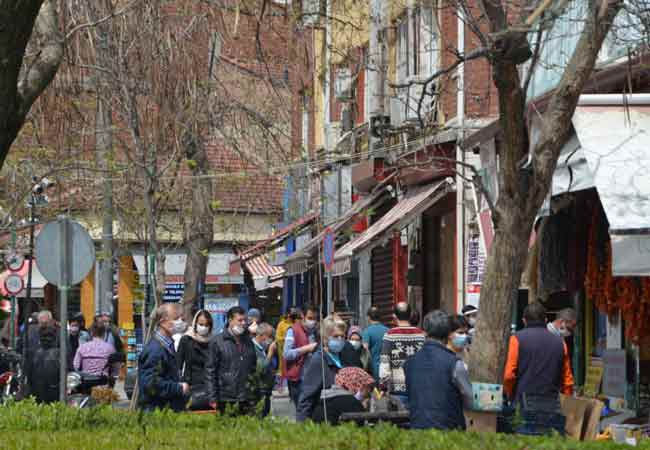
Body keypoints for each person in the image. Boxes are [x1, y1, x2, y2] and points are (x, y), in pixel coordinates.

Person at [404, 310, 473, 430]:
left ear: (424, 332)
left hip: (417, 428)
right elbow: (470, 398)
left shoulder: (409, 363)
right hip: (448, 431)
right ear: (448, 333)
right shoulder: (454, 363)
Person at [503, 302, 574, 406]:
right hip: (551, 404)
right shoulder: (561, 343)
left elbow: (508, 376)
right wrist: (567, 403)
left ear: (524, 321)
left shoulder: (516, 339)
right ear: (545, 320)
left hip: (522, 404)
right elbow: (567, 381)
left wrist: (509, 394)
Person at [206, 306, 258, 415]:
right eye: (239, 320)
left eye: (245, 320)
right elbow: (210, 371)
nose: (243, 323)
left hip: (246, 397)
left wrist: (254, 392)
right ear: (230, 320)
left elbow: (253, 368)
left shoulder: (248, 342)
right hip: (226, 397)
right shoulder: (217, 341)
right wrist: (212, 397)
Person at [138, 303, 189, 412]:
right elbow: (150, 384)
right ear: (162, 322)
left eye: (182, 318)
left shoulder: (167, 345)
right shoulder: (155, 349)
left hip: (167, 410)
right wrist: (179, 388)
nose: (181, 322)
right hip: (156, 413)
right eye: (176, 318)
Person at [296, 316, 347, 422]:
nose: (340, 340)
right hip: (324, 421)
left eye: (342, 336)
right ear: (325, 338)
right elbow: (306, 398)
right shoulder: (318, 360)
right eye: (336, 336)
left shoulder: (345, 357)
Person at [378, 302, 425, 408]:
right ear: (410, 315)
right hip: (419, 388)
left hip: (397, 391)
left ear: (394, 316)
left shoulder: (389, 335)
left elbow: (385, 364)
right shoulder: (421, 335)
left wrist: (383, 387)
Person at [176, 309, 213, 408]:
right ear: (195, 323)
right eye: (201, 324)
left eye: (206, 325)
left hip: (208, 387)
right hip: (190, 385)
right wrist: (180, 384)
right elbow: (178, 364)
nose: (203, 327)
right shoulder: (186, 340)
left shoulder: (213, 342)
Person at [283, 305, 319, 407]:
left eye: (315, 319)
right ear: (302, 316)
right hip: (298, 379)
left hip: (314, 379)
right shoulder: (293, 331)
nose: (313, 321)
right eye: (310, 318)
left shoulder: (316, 332)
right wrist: (306, 349)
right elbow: (286, 354)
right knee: (301, 409)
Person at [27, 325, 60, 403]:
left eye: (50, 336)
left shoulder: (58, 353)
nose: (47, 339)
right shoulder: (34, 353)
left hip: (53, 391)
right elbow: (29, 375)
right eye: (44, 336)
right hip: (38, 391)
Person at [252, 322, 277, 416]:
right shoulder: (253, 348)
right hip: (259, 391)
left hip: (266, 390)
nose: (271, 340)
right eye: (270, 336)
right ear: (261, 335)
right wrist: (270, 353)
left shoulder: (262, 349)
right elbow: (261, 369)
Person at [362, 306, 388, 381]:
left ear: (368, 317)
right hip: (387, 369)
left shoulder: (367, 332)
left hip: (374, 371)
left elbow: (365, 351)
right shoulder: (388, 331)